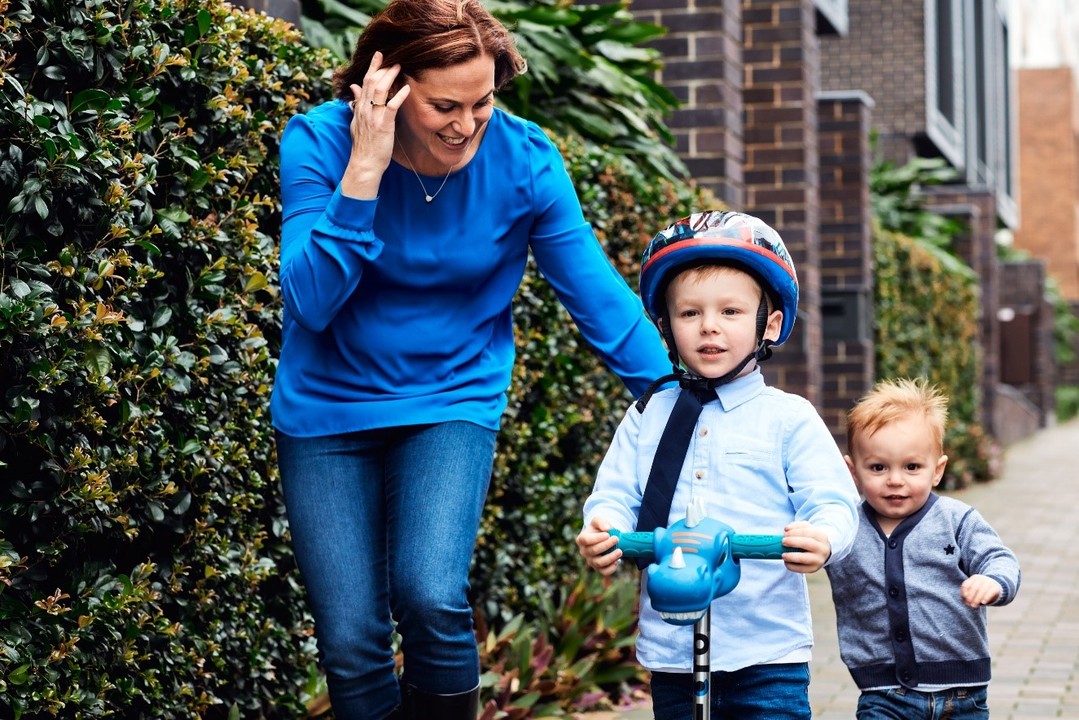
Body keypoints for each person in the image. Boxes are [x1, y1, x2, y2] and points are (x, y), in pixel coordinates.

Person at [271, 1, 673, 718]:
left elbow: (597, 296)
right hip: (325, 408)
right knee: (351, 636)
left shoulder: (523, 160)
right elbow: (311, 302)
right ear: (384, 87)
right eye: (443, 106)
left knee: (429, 592)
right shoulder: (318, 143)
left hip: (453, 397)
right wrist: (365, 165)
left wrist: (679, 398)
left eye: (481, 103)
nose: (464, 125)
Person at [576, 210, 860, 720]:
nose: (709, 326)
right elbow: (616, 493)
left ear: (767, 324)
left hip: (767, 651)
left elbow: (833, 500)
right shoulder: (646, 414)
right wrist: (606, 528)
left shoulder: (788, 418)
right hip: (672, 648)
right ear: (665, 325)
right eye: (690, 314)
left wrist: (823, 536)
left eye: (730, 311)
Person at [825, 377, 1021, 719]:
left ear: (937, 470)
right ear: (853, 472)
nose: (895, 480)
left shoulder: (956, 520)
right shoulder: (843, 527)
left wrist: (994, 582)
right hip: (882, 693)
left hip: (961, 695)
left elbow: (998, 559)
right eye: (878, 467)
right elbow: (810, 546)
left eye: (912, 467)